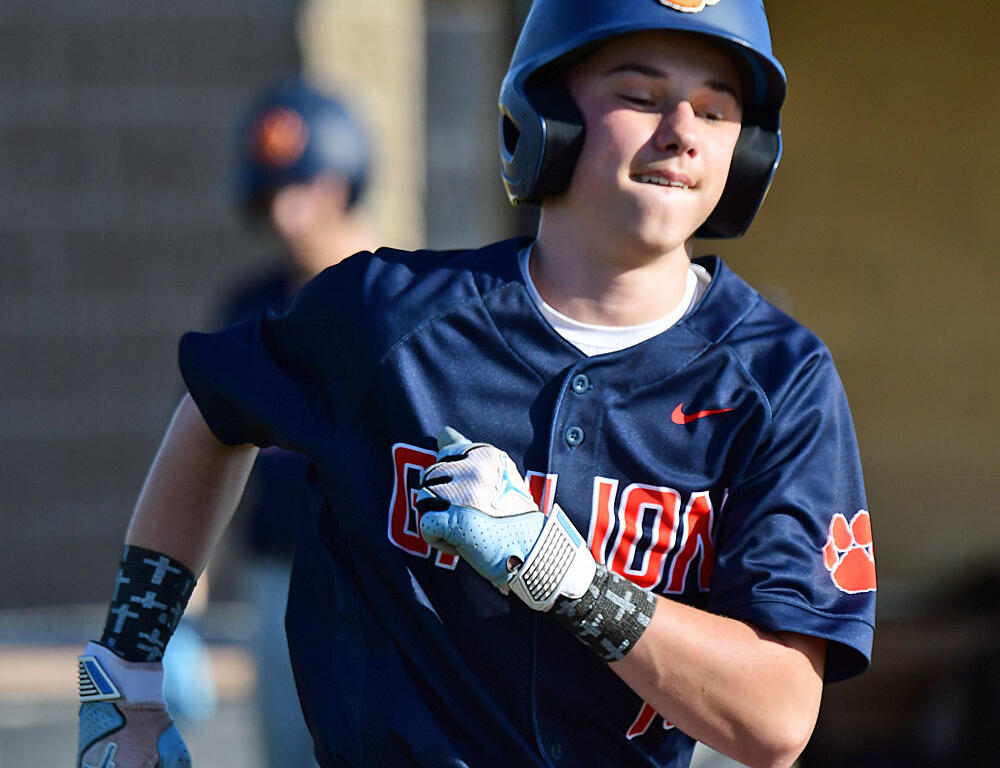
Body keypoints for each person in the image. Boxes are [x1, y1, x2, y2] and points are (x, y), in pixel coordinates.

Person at [76, 2, 877, 767]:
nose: (682, 135)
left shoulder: (778, 378)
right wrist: (127, 676)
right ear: (548, 118)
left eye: (715, 109)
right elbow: (215, 410)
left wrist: (566, 576)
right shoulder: (386, 318)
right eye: (640, 96)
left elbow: (776, 721)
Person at [219, 75, 377, 768]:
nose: (288, 213)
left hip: (381, 572)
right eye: (273, 194)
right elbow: (206, 453)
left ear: (344, 184)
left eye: (306, 187)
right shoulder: (249, 305)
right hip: (276, 571)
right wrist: (171, 621)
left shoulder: (403, 290)